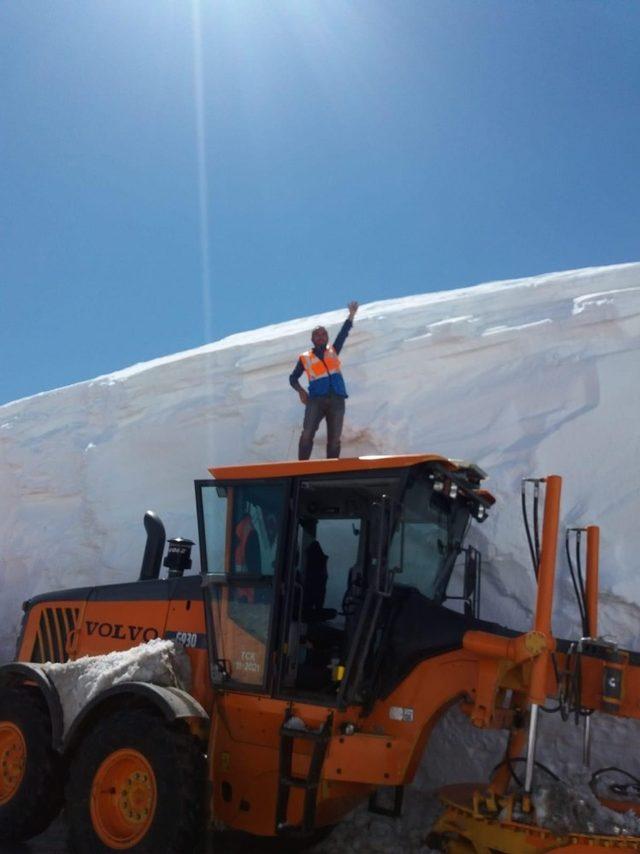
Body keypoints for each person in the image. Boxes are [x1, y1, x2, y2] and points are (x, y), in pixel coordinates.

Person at [289, 301, 359, 460]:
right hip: (316, 400)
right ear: (312, 339)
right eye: (317, 335)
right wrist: (301, 391)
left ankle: (331, 468)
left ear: (327, 338)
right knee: (307, 433)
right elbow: (292, 378)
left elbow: (343, 334)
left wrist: (351, 316)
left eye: (323, 334)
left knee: (334, 439)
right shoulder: (305, 358)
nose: (320, 337)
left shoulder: (333, 351)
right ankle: (302, 466)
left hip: (337, 398)